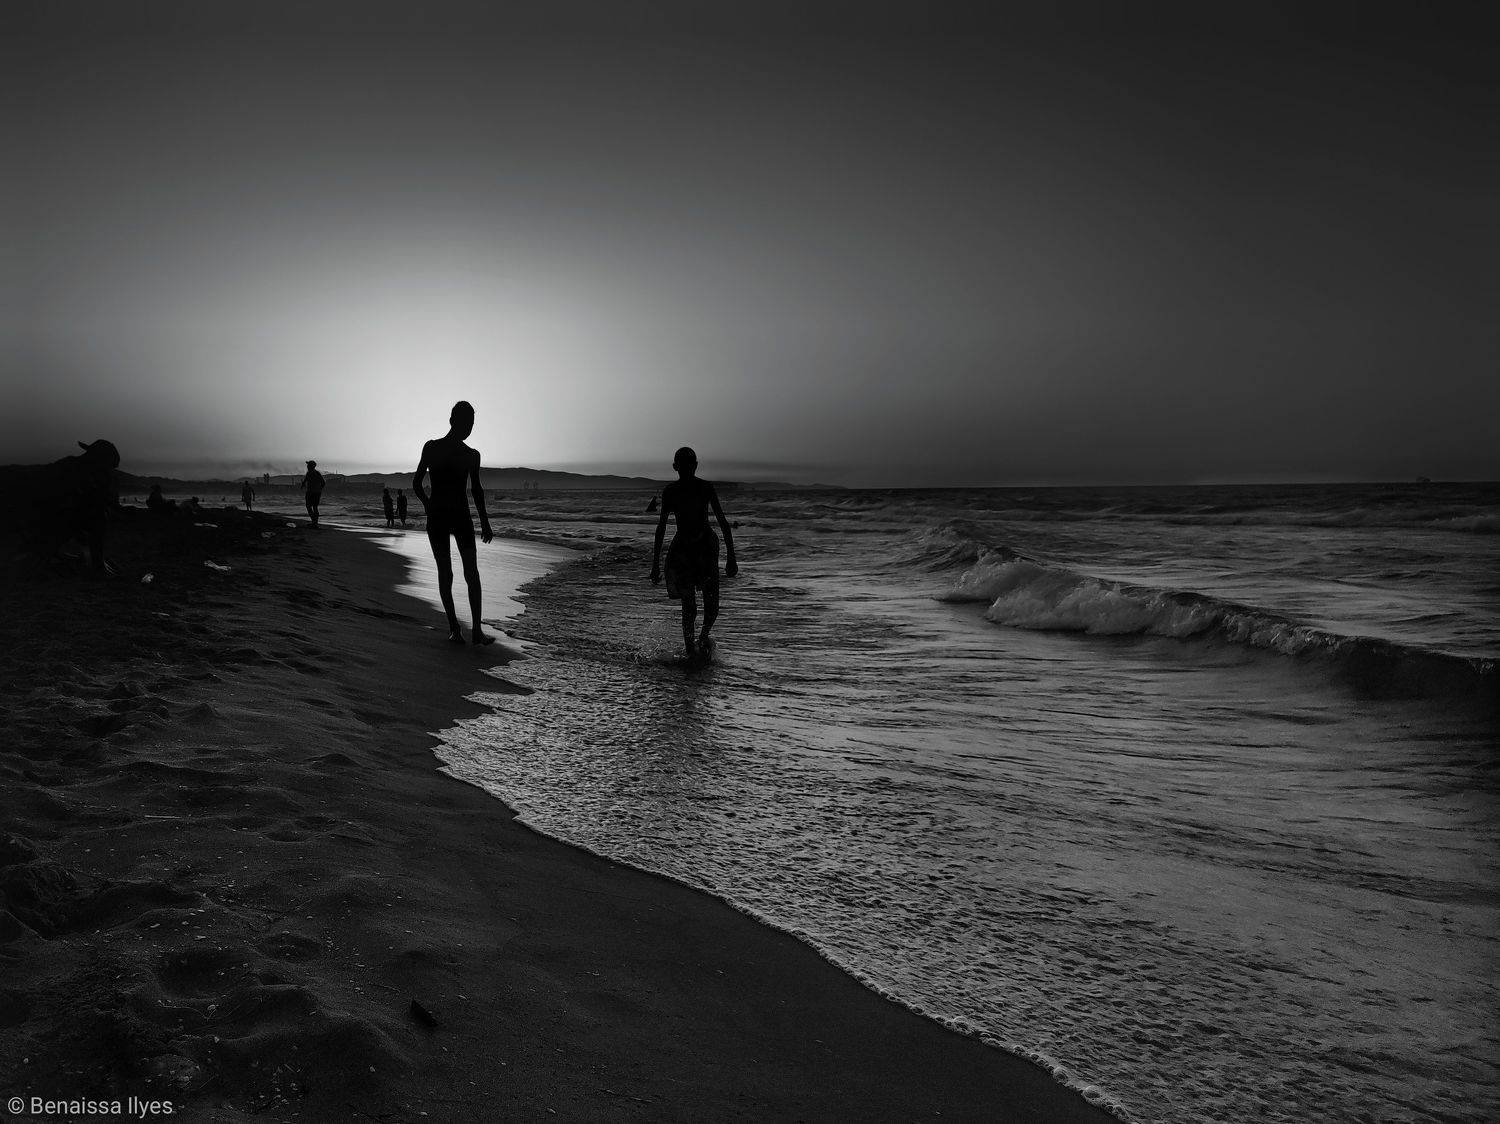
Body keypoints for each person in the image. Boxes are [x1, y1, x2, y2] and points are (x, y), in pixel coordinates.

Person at [412, 401, 496, 645]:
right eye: (466, 423)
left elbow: (476, 491)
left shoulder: (462, 453)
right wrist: (428, 506)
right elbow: (417, 482)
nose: (469, 428)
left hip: (450, 517)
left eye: (471, 424)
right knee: (455, 572)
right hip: (449, 517)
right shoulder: (451, 451)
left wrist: (484, 522)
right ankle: (460, 629)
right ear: (453, 421)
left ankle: (467, 631)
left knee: (463, 573)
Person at [650, 447, 737, 659]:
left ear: (695, 466)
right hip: (683, 549)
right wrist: (654, 564)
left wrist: (732, 558)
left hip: (705, 546)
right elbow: (661, 527)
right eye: (683, 465)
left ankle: (703, 636)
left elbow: (722, 522)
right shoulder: (670, 491)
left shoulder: (705, 487)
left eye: (690, 465)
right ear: (675, 467)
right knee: (688, 604)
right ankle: (690, 650)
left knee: (712, 605)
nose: (687, 469)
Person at [300, 460, 324, 526]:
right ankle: (315, 522)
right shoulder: (317, 473)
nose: (307, 466)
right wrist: (319, 490)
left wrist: (303, 485)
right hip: (317, 493)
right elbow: (323, 483)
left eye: (308, 465)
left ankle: (314, 522)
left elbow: (305, 481)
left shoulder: (310, 473)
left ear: (311, 466)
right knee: (315, 507)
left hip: (310, 492)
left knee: (308, 506)